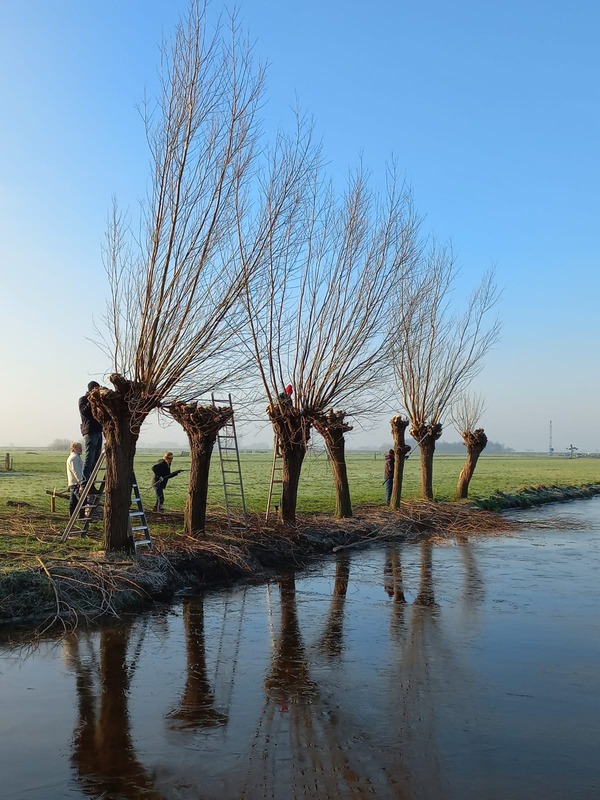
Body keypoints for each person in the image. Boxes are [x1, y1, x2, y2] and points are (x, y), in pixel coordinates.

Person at [79, 381, 103, 485]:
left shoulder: (99, 401)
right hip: (90, 431)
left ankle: (91, 482)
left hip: (98, 430)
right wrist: (92, 399)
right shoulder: (83, 399)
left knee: (96, 459)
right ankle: (84, 482)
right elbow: (84, 412)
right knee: (90, 458)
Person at [66, 441, 84, 516]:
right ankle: (81, 518)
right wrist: (81, 482)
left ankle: (72, 517)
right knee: (82, 500)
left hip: (73, 483)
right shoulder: (74, 458)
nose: (81, 449)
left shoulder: (73, 457)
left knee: (73, 502)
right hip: (77, 483)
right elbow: (76, 471)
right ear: (74, 448)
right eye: (79, 448)